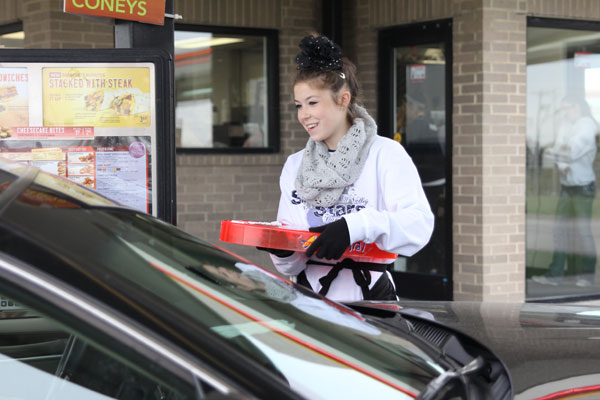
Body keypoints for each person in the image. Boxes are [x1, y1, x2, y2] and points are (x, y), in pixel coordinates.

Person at [258, 34, 434, 302]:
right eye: (299, 105)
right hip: (311, 305)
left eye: (313, 102)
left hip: (372, 302)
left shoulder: (384, 154)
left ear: (343, 99)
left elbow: (419, 226)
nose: (303, 115)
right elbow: (291, 265)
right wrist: (281, 250)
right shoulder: (296, 166)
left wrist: (357, 225)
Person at [532, 95, 598, 288]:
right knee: (559, 230)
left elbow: (569, 150)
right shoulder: (566, 126)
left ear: (576, 107)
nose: (563, 113)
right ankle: (556, 275)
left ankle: (587, 276)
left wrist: (559, 153)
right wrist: (561, 161)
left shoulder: (587, 125)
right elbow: (555, 151)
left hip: (583, 187)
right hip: (567, 186)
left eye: (566, 109)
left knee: (583, 231)